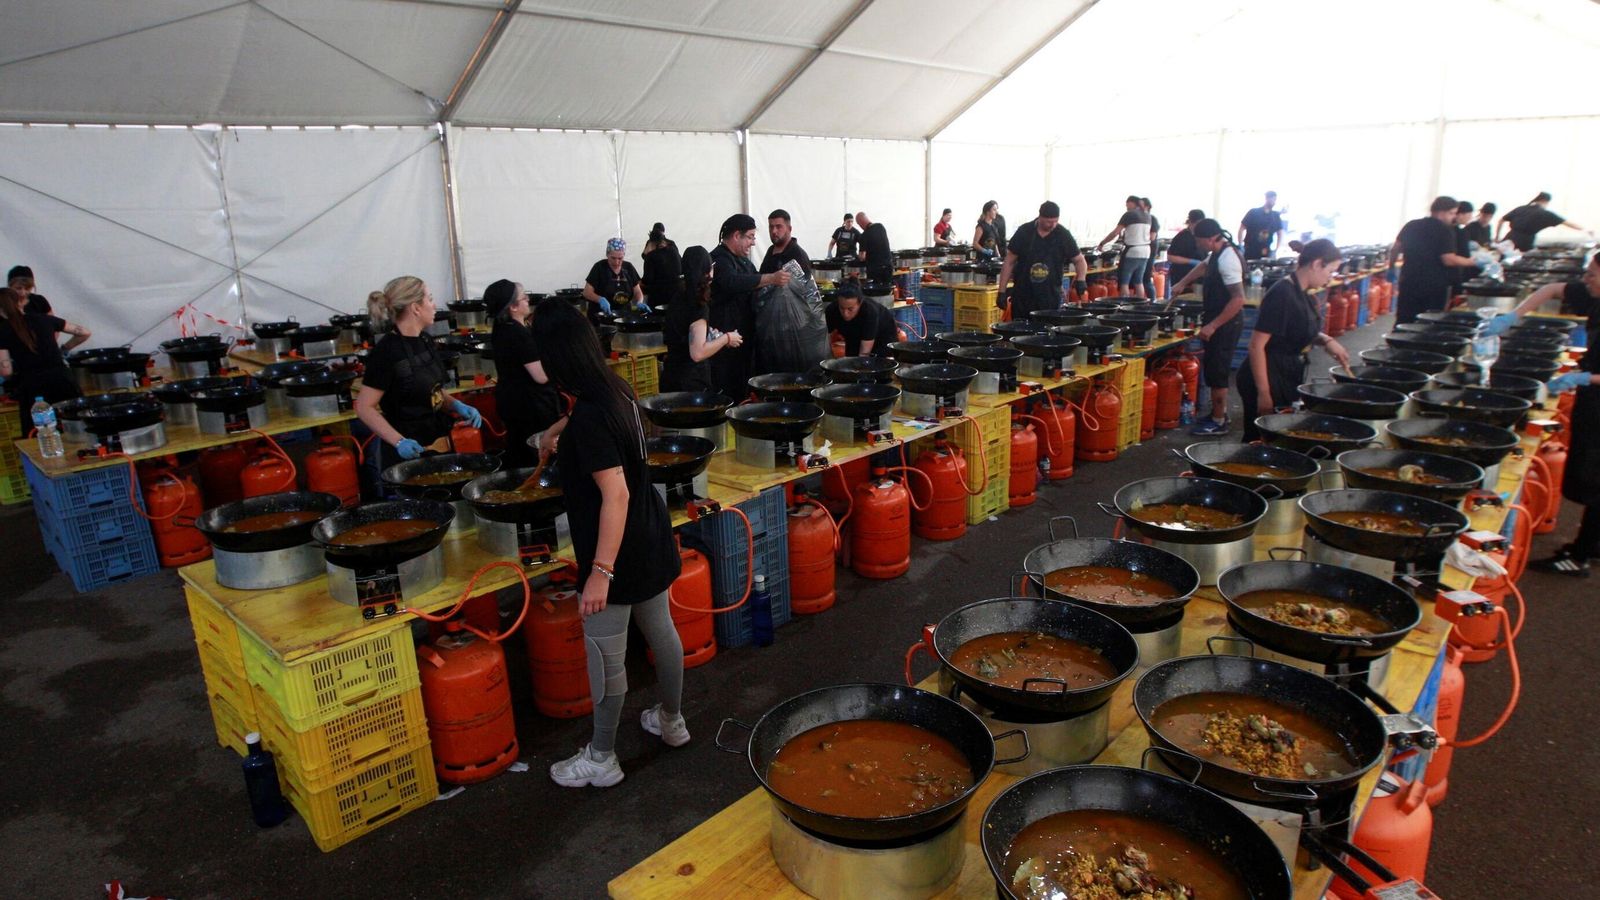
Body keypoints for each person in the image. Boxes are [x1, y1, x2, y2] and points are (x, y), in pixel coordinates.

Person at [527, 298, 686, 787]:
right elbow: (597, 435)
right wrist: (556, 432)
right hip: (651, 531)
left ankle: (601, 757)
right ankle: (672, 721)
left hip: (618, 549)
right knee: (661, 631)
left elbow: (613, 493)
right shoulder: (613, 387)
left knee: (605, 655)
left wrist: (600, 571)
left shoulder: (592, 414)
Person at [1520, 254, 1600, 577]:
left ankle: (1579, 557)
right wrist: (1513, 315)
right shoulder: (1594, 294)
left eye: (1592, 275)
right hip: (1592, 397)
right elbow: (1553, 288)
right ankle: (1593, 545)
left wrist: (1583, 378)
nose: (1586, 279)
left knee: (1597, 479)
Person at [355, 276, 483, 472]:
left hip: (438, 440)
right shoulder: (386, 352)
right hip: (407, 451)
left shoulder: (425, 340)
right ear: (416, 308)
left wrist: (456, 405)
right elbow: (364, 407)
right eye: (430, 299)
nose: (434, 305)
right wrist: (399, 442)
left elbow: (433, 390)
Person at [1236, 240, 1352, 442]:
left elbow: (1295, 329)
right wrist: (1264, 393)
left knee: (1279, 436)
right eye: (1331, 270)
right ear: (1317, 264)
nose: (1330, 277)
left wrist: (1326, 340)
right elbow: (1256, 345)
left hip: (1285, 371)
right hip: (1267, 374)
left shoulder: (1303, 293)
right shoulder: (1282, 294)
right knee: (1261, 439)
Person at [1169, 219, 1246, 435]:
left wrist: (1212, 326)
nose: (1198, 245)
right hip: (1218, 318)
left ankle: (1219, 421)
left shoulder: (1229, 259)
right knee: (1213, 369)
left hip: (1226, 322)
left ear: (1211, 238)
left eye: (1200, 241)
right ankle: (1216, 414)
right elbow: (1204, 265)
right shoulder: (1218, 252)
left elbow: (1238, 299)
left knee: (1218, 372)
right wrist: (1183, 282)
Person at [708, 214, 788, 396]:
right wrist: (771, 278)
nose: (753, 243)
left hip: (744, 338)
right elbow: (732, 282)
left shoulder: (743, 261)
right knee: (727, 388)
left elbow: (753, 280)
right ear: (737, 235)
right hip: (725, 341)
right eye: (750, 237)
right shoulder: (719, 259)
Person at [487, 279, 562, 469]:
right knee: (535, 455)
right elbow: (541, 376)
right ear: (512, 307)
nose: (528, 300)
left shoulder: (501, 328)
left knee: (518, 450)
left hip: (512, 402)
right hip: (530, 407)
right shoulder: (518, 335)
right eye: (523, 298)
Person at [0, 286, 88, 428]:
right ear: (21, 302)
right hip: (63, 381)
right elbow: (84, 332)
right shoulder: (45, 319)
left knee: (41, 434)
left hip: (33, 389)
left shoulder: (2, 330)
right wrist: (64, 348)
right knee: (77, 427)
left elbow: (6, 371)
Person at [661, 246, 741, 392]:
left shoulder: (678, 295)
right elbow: (697, 353)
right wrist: (727, 338)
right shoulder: (698, 304)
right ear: (707, 270)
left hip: (671, 376)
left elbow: (683, 333)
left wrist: (709, 335)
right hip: (690, 383)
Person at [1390, 196, 1479, 325]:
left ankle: (1397, 343)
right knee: (1428, 320)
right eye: (1452, 213)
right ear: (1441, 212)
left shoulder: (1412, 224)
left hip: (1409, 280)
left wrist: (1391, 267)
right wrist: (1472, 262)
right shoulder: (1444, 230)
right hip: (1433, 285)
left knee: (1405, 317)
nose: (1453, 217)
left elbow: (1396, 248)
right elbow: (1448, 259)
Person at [997, 201, 1088, 322]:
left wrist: (1081, 279)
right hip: (1024, 295)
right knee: (1022, 332)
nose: (1053, 225)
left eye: (1056, 221)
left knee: (1047, 334)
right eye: (1049, 222)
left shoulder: (1062, 235)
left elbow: (1079, 260)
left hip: (1049, 297)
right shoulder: (1024, 232)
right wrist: (1001, 291)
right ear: (1040, 217)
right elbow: (1009, 262)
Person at [1097, 195, 1152, 298]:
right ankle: (1141, 306)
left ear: (1132, 203)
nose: (1126, 207)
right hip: (1146, 251)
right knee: (1138, 281)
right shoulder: (1147, 215)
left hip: (1133, 251)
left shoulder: (1129, 215)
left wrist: (1102, 243)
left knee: (1124, 281)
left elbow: (1115, 232)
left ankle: (1124, 304)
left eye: (1127, 204)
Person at [825, 283, 898, 357]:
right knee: (851, 361)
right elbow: (824, 340)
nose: (845, 313)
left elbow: (864, 354)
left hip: (883, 336)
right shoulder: (831, 310)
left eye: (850, 309)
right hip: (853, 335)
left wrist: (862, 365)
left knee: (877, 362)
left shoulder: (869, 312)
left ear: (860, 304)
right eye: (842, 308)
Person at [1497, 192, 1587, 251]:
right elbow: (1567, 223)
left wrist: (1497, 237)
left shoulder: (1521, 209)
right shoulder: (1545, 214)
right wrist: (1585, 229)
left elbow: (1501, 220)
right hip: (1524, 243)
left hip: (1507, 241)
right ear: (1545, 201)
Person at [583, 238, 646, 318]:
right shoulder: (599, 267)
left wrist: (639, 302)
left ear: (624, 255)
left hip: (623, 315)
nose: (616, 262)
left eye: (620, 258)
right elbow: (586, 292)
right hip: (601, 316)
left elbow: (637, 292)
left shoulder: (628, 267)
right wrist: (600, 299)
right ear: (607, 254)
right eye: (613, 258)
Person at [640, 223, 683, 307]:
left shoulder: (651, 255)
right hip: (676, 292)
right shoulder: (673, 249)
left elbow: (647, 279)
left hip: (658, 295)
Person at [760, 209, 812, 276]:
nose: (774, 231)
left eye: (778, 227)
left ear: (789, 229)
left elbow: (805, 285)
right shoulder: (771, 250)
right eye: (771, 227)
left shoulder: (798, 255)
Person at [1165, 209, 1207, 290]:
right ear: (1191, 222)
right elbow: (1170, 257)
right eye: (1198, 224)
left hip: (1198, 276)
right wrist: (1191, 261)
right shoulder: (1182, 237)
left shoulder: (1201, 236)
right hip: (1181, 274)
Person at [1240, 191, 1285, 261]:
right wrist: (1240, 245)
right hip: (1250, 250)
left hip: (1266, 251)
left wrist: (1276, 250)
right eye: (1273, 199)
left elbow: (1280, 233)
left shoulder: (1275, 216)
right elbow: (1241, 228)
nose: (1274, 202)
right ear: (1267, 198)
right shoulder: (1253, 212)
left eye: (1275, 200)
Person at [855, 212, 893, 284]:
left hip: (875, 270)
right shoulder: (880, 227)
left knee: (876, 292)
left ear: (860, 222)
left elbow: (862, 256)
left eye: (859, 224)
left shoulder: (864, 235)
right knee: (887, 289)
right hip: (888, 266)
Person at [1141, 197, 1160, 300]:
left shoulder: (1152, 219)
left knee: (1146, 278)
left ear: (1147, 207)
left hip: (1149, 250)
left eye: (1141, 205)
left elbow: (1152, 237)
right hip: (1143, 251)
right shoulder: (1140, 219)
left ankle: (1153, 302)